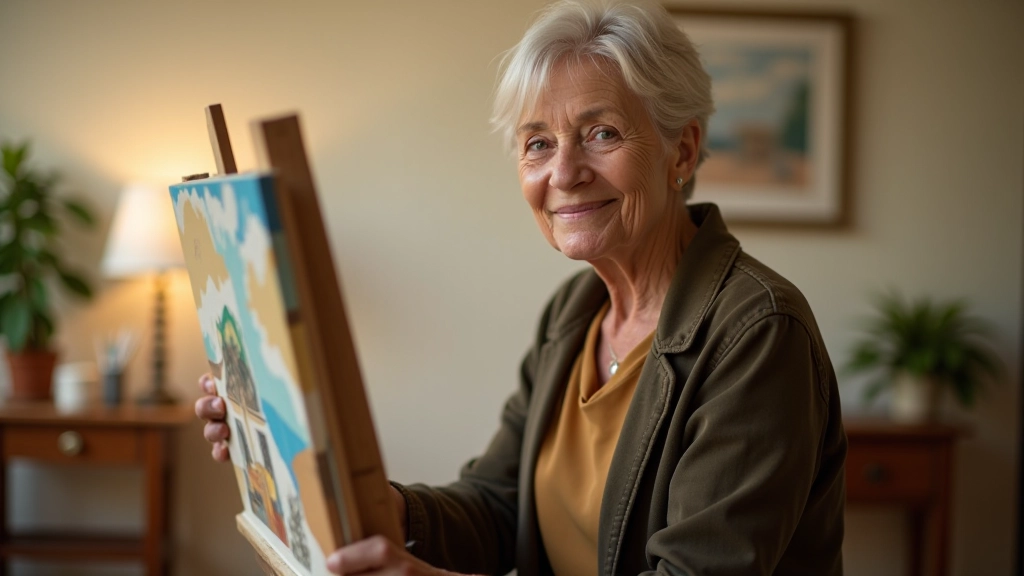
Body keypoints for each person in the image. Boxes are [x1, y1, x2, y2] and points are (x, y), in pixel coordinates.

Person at [196, 1, 847, 574]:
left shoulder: (758, 332)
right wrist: (338, 490)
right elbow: (498, 507)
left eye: (601, 133)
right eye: (537, 142)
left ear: (681, 152)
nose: (564, 171)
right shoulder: (574, 312)